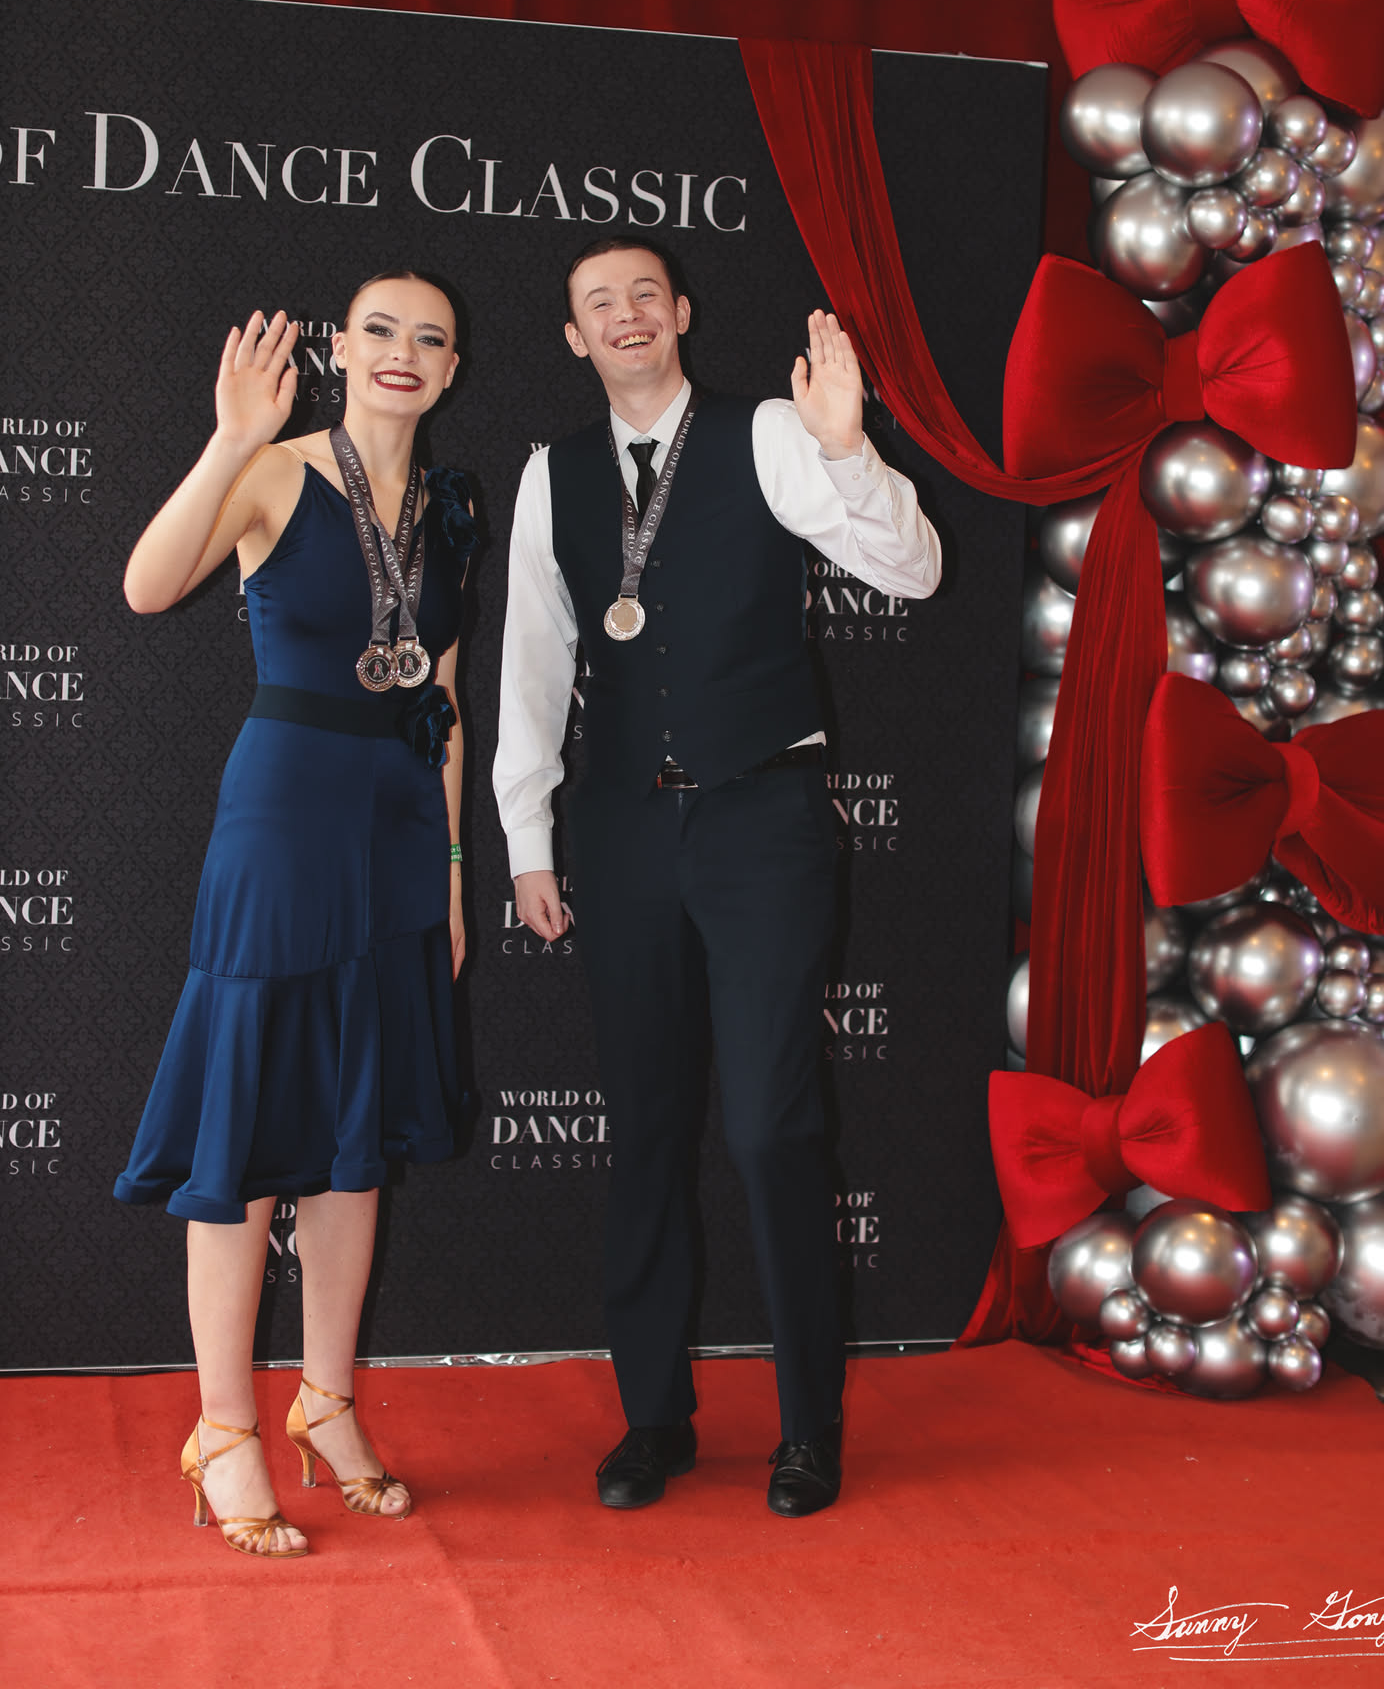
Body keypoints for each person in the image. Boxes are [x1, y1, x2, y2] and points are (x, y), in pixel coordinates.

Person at [493, 234, 940, 1517]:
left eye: (646, 293)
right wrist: (528, 838)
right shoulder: (552, 474)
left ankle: (809, 1426)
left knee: (769, 1125)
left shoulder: (770, 434)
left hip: (762, 822)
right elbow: (534, 662)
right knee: (644, 1131)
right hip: (623, 832)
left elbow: (913, 571)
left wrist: (850, 450)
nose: (626, 314)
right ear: (574, 337)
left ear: (682, 313)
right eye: (599, 303)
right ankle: (653, 1420)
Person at [114, 271, 474, 1559]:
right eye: (380, 330)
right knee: (248, 1120)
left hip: (396, 832)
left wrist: (448, 870)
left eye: (430, 338)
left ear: (452, 369)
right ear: (340, 348)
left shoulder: (449, 510)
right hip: (283, 815)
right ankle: (224, 1426)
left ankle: (326, 1401)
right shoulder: (275, 470)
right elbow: (148, 586)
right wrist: (227, 439)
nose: (402, 352)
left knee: (352, 1136)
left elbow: (442, 699)